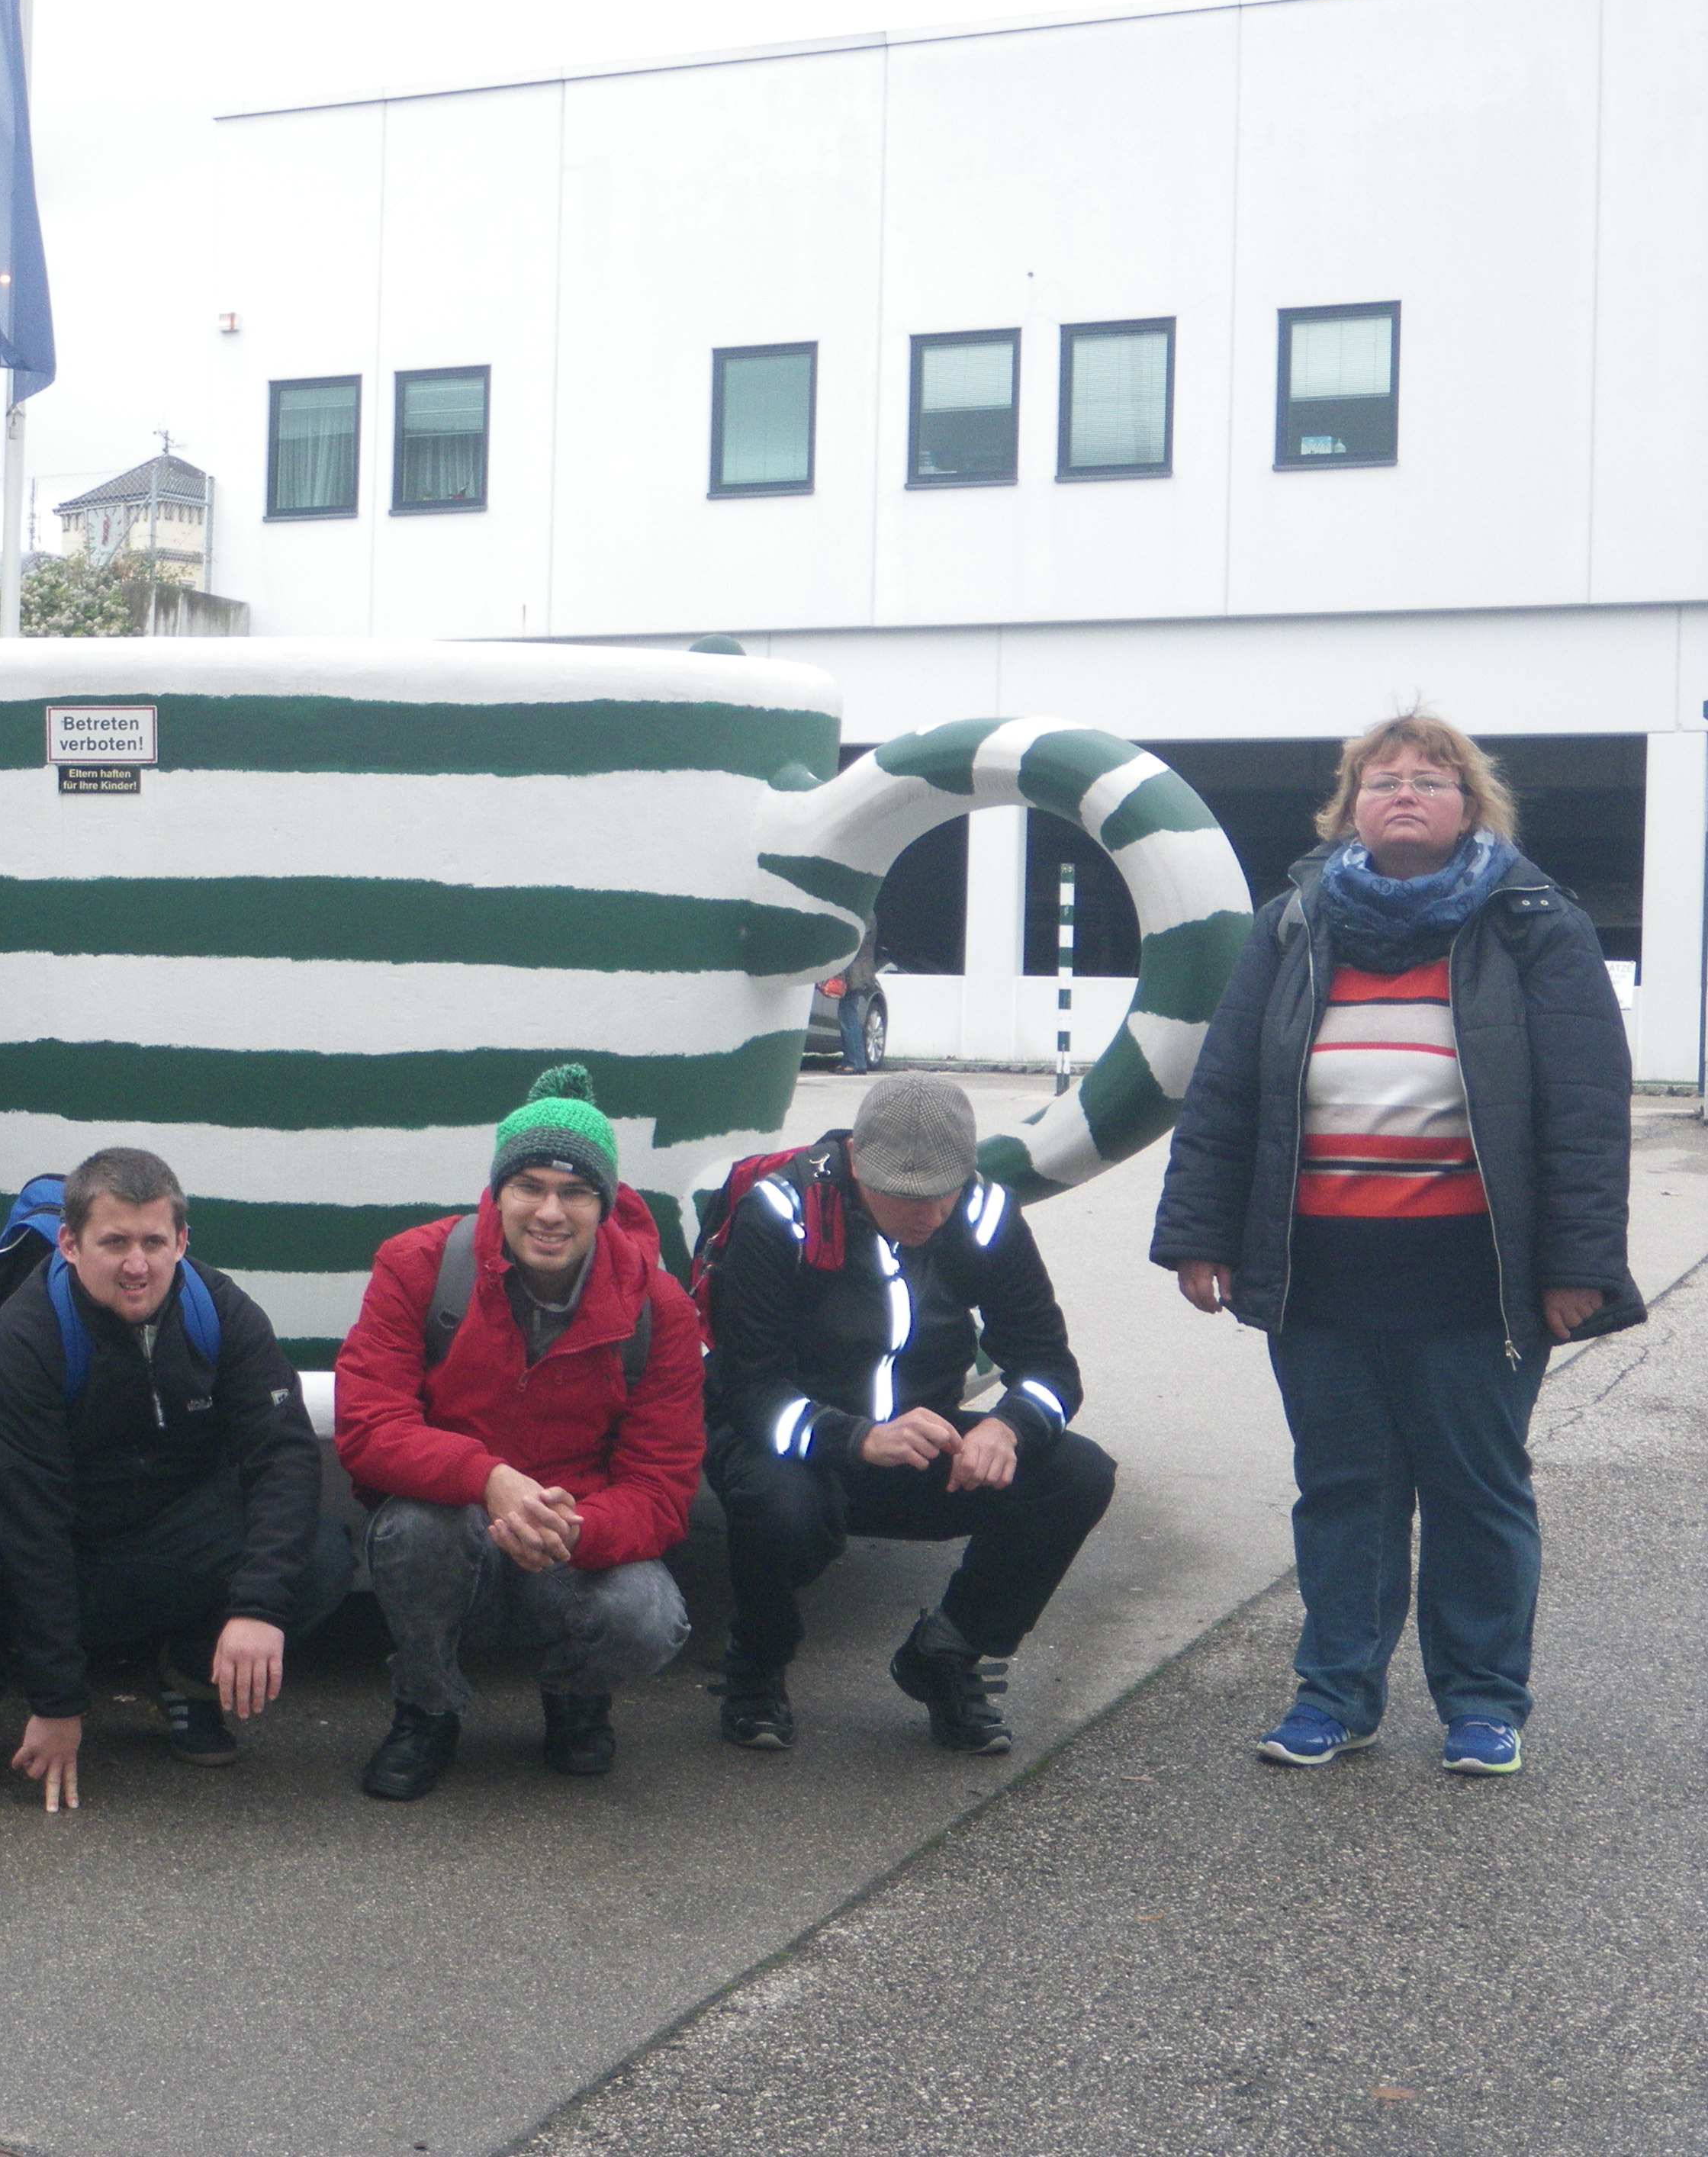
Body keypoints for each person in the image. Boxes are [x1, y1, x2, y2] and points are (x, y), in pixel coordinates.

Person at [1153, 713, 1641, 1779]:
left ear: (1470, 805)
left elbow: (1586, 1107)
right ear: (1349, 810)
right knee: (1343, 1490)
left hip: (1476, 1279)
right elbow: (1227, 1087)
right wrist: (1198, 1233)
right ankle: (1336, 1695)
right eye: (1382, 781)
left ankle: (1482, 1703)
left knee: (1476, 1492)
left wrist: (1579, 1266)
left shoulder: (1533, 923)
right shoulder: (1292, 924)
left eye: (1430, 778)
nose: (1405, 793)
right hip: (1320, 1278)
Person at [0, 1148, 351, 1809]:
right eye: (115, 1243)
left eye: (155, 1242)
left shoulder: (222, 1313)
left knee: (320, 1553)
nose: (138, 1265)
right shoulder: (23, 1338)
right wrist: (58, 1703)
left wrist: (258, 1608)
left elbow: (284, 1458)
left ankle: (191, 1681)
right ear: (70, 1244)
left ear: (182, 1241)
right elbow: (32, 1520)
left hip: (165, 1538)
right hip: (39, 1541)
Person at [703, 1073, 1117, 1757]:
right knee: (782, 1507)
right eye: (903, 1194)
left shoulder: (983, 1214)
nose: (930, 1214)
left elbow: (1050, 1366)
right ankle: (757, 1660)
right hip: (791, 1445)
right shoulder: (781, 1213)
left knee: (1078, 1473)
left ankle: (948, 1651)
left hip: (919, 1445)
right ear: (856, 1161)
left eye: (945, 1192)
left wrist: (1008, 1426)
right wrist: (857, 1439)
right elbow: (747, 1389)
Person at [330, 1066, 702, 1800]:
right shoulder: (417, 1265)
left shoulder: (660, 1308)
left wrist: (574, 1530)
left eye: (576, 1191)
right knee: (415, 1530)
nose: (550, 1212)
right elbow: (368, 1424)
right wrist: (489, 1480)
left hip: (573, 1542)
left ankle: (575, 1697)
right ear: (498, 1191)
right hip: (455, 1527)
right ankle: (427, 1707)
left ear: (606, 1203)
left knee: (649, 1617)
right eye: (529, 1186)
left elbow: (661, 1486)